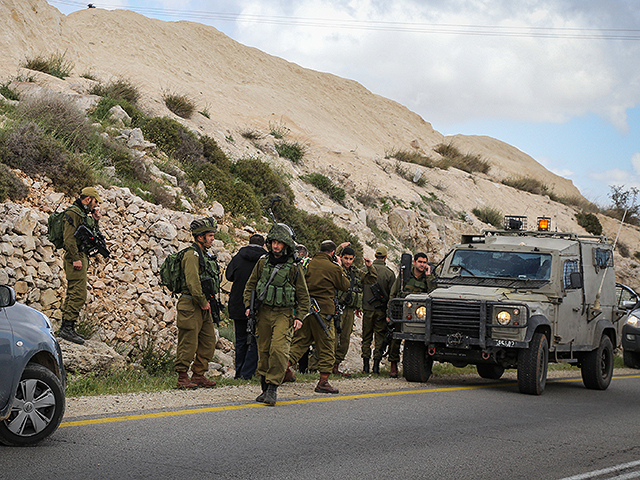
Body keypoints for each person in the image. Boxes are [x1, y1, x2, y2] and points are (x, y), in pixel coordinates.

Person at [243, 224, 309, 406]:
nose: (276, 246)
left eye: (280, 243)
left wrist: (299, 317)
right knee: (263, 350)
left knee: (279, 350)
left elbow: (304, 296)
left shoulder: (294, 268)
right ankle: (264, 386)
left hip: (284, 314)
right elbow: (250, 286)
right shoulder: (262, 262)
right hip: (263, 312)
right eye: (273, 242)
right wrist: (249, 306)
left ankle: (273, 387)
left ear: (286, 245)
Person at [285, 240, 350, 394]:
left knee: (299, 343)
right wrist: (340, 266)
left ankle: (282, 370)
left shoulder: (307, 264)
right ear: (333, 253)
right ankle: (323, 381)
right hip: (324, 312)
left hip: (305, 310)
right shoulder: (333, 267)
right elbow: (345, 285)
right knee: (327, 345)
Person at [174, 217, 220, 389]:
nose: (212, 238)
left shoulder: (205, 254)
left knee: (208, 340)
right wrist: (202, 301)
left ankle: (199, 374)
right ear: (200, 237)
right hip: (191, 304)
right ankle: (182, 376)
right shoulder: (191, 255)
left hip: (203, 305)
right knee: (188, 342)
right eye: (209, 235)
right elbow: (193, 283)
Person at [58, 186, 104, 345]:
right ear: (88, 199)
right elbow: (69, 239)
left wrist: (96, 220)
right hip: (75, 257)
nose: (96, 204)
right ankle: (67, 328)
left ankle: (67, 326)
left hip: (81, 255)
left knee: (73, 291)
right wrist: (75, 258)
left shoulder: (84, 213)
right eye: (95, 201)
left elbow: (92, 234)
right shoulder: (73, 213)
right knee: (79, 293)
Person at [388, 252, 436, 377]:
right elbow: (393, 293)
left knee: (419, 341)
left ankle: (417, 367)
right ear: (414, 262)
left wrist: (429, 275)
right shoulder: (404, 275)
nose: (422, 265)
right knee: (395, 340)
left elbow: (434, 293)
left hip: (419, 315)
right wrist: (390, 312)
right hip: (402, 312)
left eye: (425, 262)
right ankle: (393, 365)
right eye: (420, 262)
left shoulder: (428, 278)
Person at [225, 234, 266, 380]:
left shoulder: (238, 257)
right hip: (258, 305)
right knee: (256, 340)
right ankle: (247, 373)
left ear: (248, 243)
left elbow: (229, 276)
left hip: (238, 303)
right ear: (264, 245)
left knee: (241, 339)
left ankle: (238, 372)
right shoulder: (266, 259)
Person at [333, 244, 377, 376]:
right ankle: (319, 367)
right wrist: (339, 260)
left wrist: (370, 267)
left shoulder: (356, 272)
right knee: (332, 339)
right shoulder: (336, 268)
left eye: (350, 259)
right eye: (345, 258)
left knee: (345, 340)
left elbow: (372, 279)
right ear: (341, 258)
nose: (348, 261)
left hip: (349, 311)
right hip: (336, 309)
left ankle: (335, 366)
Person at [361, 245, 396, 374]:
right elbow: (392, 295)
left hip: (367, 309)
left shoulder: (364, 269)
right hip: (381, 311)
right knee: (379, 338)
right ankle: (375, 367)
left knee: (366, 337)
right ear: (385, 257)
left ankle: (365, 366)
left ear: (375, 256)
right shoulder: (389, 273)